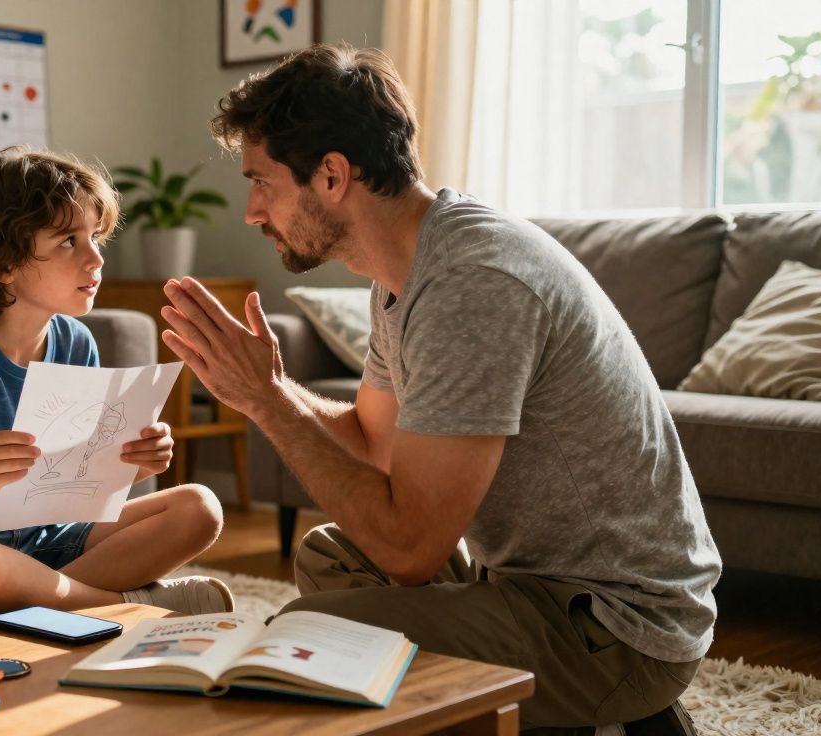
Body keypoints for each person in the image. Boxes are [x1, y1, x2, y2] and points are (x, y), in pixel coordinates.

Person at [161, 44, 719, 735]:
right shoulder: (405, 274)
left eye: (263, 182)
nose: (251, 211)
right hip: (529, 582)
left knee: (312, 630)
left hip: (616, 627)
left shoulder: (472, 284)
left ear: (331, 175)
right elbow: (373, 444)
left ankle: (617, 716)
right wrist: (266, 390)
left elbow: (409, 549)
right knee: (327, 556)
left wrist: (272, 405)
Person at [0, 146, 233, 617]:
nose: (96, 259)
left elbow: (79, 484)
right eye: (67, 242)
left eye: (95, 237)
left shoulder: (77, 342)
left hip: (48, 540)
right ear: (0, 266)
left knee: (199, 507)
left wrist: (132, 464)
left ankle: (40, 600)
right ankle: (125, 608)